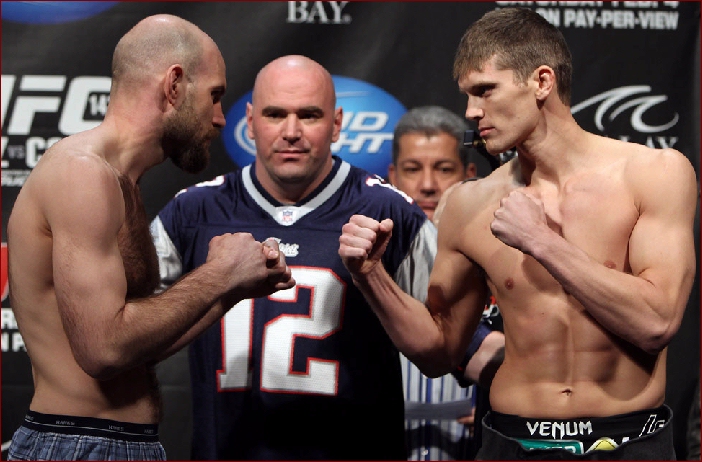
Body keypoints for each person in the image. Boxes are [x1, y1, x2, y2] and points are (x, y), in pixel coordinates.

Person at [338, 7, 697, 460]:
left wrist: (541, 242)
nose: (471, 111)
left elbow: (656, 323)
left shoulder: (653, 174)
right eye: (468, 95)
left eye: (485, 90)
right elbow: (438, 353)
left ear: (541, 81)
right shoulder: (468, 204)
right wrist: (371, 276)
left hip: (628, 441)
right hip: (512, 443)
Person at [5, 14, 294, 461]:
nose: (220, 118)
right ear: (174, 85)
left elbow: (135, 348)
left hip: (114, 441)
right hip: (77, 443)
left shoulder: (122, 182)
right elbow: (103, 349)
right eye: (215, 96)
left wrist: (232, 287)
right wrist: (219, 274)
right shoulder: (82, 174)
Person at [149, 54, 436, 460]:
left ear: (336, 123)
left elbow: (451, 342)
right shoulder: (192, 212)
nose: (291, 132)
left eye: (309, 115)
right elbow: (128, 335)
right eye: (275, 114)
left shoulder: (389, 213)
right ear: (250, 122)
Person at [388, 105, 505, 460]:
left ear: (469, 174)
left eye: (443, 169)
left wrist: (500, 412)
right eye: (412, 169)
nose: (428, 185)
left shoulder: (504, 260)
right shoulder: (366, 266)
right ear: (392, 176)